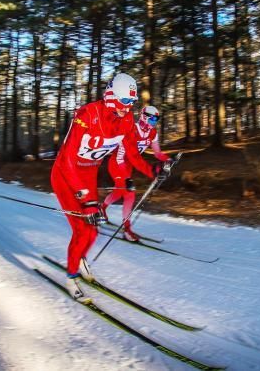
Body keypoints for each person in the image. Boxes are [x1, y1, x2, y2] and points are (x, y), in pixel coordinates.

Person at [50, 73, 167, 302]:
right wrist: (86, 200)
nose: (128, 107)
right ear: (111, 96)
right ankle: (71, 277)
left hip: (88, 175)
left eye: (132, 103)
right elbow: (67, 161)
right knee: (82, 230)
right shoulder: (88, 114)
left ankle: (80, 259)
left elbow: (132, 153)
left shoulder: (125, 121)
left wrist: (152, 170)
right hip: (67, 175)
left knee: (93, 231)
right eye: (125, 101)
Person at [102, 105, 171, 242]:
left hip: (128, 165)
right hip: (117, 163)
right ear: (144, 117)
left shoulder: (152, 133)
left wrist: (168, 159)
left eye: (156, 120)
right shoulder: (131, 130)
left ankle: (101, 208)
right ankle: (127, 230)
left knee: (118, 192)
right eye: (152, 120)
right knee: (129, 194)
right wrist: (150, 172)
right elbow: (128, 157)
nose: (154, 123)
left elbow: (157, 153)